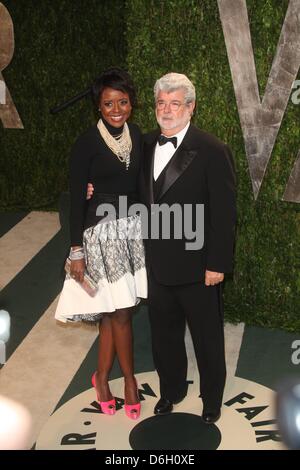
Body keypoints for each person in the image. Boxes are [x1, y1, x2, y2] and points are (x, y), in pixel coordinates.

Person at [139, 73, 236, 423]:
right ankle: (171, 392)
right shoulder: (145, 143)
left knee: (207, 339)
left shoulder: (212, 149)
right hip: (157, 264)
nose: (166, 110)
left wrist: (217, 264)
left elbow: (225, 215)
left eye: (174, 103)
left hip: (198, 267)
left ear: (190, 108)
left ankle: (211, 400)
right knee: (163, 337)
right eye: (161, 103)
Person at [55, 67, 147, 420]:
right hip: (98, 236)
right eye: (108, 103)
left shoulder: (137, 135)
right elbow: (78, 199)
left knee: (111, 313)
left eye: (123, 101)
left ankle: (101, 380)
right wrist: (75, 250)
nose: (116, 109)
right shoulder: (86, 144)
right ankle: (129, 383)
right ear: (98, 106)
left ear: (131, 104)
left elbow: (141, 188)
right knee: (121, 313)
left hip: (130, 234)